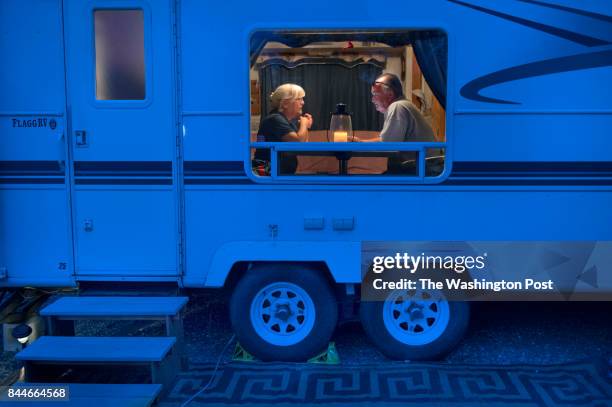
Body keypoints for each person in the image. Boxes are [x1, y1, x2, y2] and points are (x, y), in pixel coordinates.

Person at [370, 73, 435, 174]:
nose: (372, 99)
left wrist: (359, 142)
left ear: (390, 94)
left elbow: (387, 145)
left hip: (421, 169)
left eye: (375, 94)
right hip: (424, 167)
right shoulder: (404, 104)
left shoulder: (397, 106)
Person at [254, 84, 313, 174]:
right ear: (285, 104)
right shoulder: (275, 119)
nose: (303, 102)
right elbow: (298, 142)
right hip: (269, 175)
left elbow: (303, 145)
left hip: (279, 174)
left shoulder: (286, 122)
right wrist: (304, 124)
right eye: (299, 99)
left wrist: (306, 127)